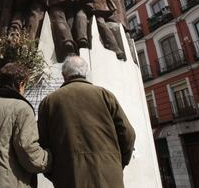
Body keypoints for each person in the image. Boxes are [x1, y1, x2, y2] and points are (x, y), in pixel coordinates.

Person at [38, 56, 136, 188]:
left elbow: (43, 143)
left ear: (63, 75)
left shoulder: (48, 102)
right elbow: (128, 134)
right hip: (109, 175)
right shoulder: (105, 95)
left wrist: (54, 172)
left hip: (68, 177)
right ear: (86, 73)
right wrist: (117, 162)